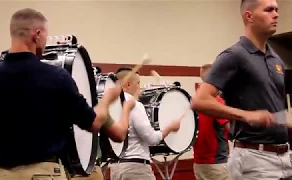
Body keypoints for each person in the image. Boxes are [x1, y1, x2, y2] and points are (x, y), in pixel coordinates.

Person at [0, 8, 129, 180]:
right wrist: (106, 99)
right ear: (37, 35)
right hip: (44, 174)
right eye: (46, 36)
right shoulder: (56, 78)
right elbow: (93, 124)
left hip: (2, 175)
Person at [191, 0, 292, 179]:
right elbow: (200, 100)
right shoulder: (234, 56)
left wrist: (285, 119)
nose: (276, 14)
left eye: (276, 9)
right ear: (249, 16)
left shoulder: (276, 60)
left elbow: (278, 112)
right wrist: (246, 115)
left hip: (284, 156)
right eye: (269, 10)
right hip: (254, 159)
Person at [110, 67, 182, 180]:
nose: (139, 86)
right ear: (128, 84)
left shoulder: (110, 105)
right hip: (135, 169)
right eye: (138, 83)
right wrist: (170, 128)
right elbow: (151, 139)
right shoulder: (135, 105)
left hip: (115, 169)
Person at [193, 61, 230, 180]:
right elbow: (230, 129)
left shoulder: (194, 101)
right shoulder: (215, 101)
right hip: (217, 163)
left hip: (198, 163)